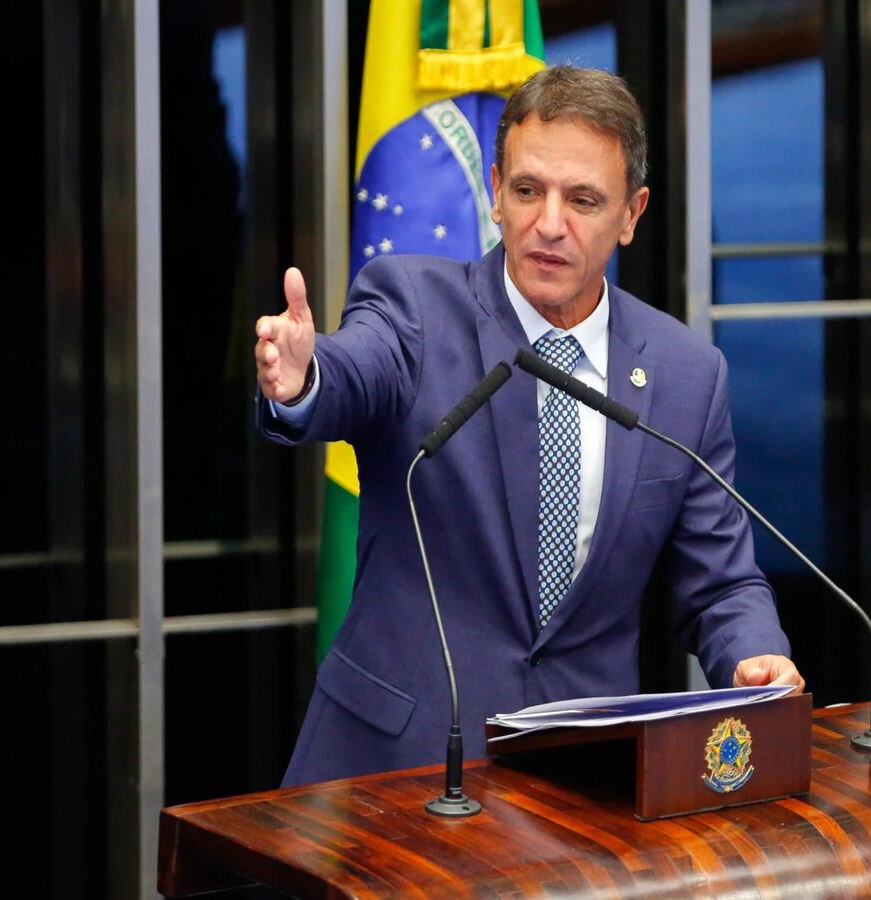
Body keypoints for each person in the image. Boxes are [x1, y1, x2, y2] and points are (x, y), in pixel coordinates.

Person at [255, 65, 804, 785]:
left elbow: (719, 584)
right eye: (527, 191)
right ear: (495, 192)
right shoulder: (414, 307)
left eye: (582, 200)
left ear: (632, 213)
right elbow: (355, 371)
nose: (549, 224)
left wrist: (755, 653)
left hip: (580, 779)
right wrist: (307, 377)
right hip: (394, 768)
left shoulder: (685, 374)